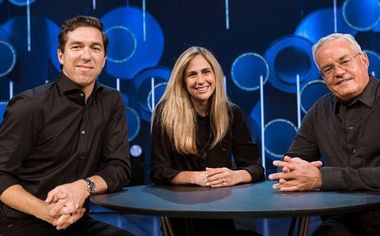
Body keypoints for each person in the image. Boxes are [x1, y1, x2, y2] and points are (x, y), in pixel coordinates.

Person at [268, 32, 380, 236]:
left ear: (364, 60)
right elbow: (292, 165)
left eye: (344, 61)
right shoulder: (320, 110)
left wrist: (322, 178)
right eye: (328, 69)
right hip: (344, 218)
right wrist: (295, 173)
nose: (338, 72)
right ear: (323, 78)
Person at [0, 16, 133, 235]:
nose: (86, 56)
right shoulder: (30, 105)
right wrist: (45, 210)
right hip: (23, 222)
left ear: (104, 59)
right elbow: (1, 173)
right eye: (76, 47)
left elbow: (119, 167)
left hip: (77, 222)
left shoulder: (111, 101)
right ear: (60, 55)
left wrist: (83, 186)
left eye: (95, 48)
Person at [151, 46, 264, 235]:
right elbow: (158, 171)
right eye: (192, 75)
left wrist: (235, 176)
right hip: (181, 215)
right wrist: (196, 177)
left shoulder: (231, 113)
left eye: (206, 72)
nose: (201, 81)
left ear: (216, 75)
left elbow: (256, 168)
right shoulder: (166, 113)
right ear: (182, 81)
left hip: (223, 211)